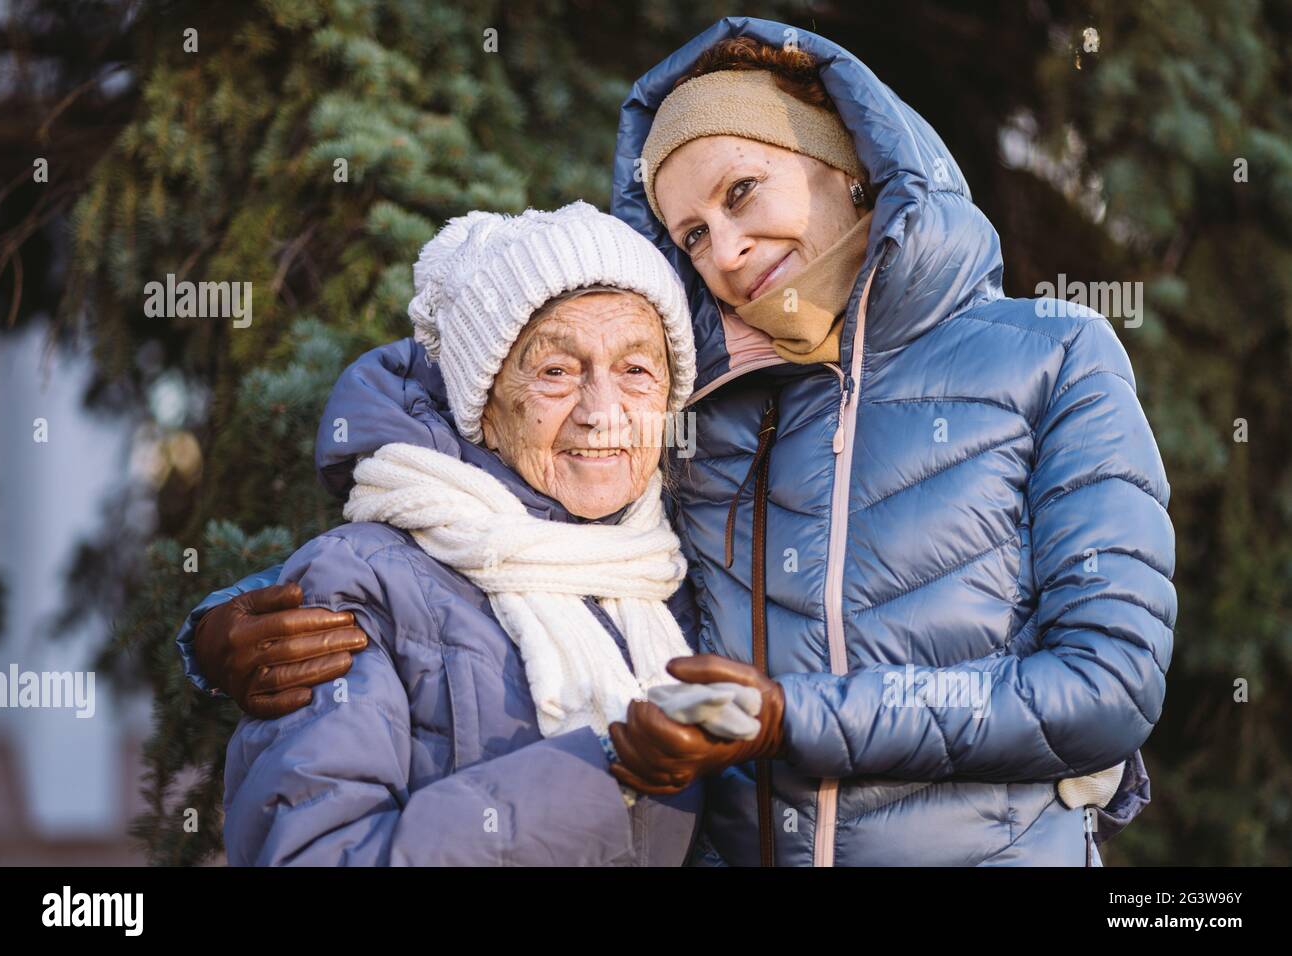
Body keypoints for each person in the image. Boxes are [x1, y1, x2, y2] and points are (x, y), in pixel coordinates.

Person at [180, 18, 1173, 866]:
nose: (724, 250)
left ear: (852, 168)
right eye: (689, 233)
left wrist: (790, 717)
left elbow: (1105, 684)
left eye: (741, 193)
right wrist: (232, 628)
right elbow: (469, 427)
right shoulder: (702, 391)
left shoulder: (1049, 358)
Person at [211, 201, 706, 865]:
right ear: (485, 406)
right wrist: (601, 775)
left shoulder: (675, 574)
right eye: (557, 371)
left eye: (636, 370)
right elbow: (312, 855)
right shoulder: (360, 584)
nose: (602, 411)